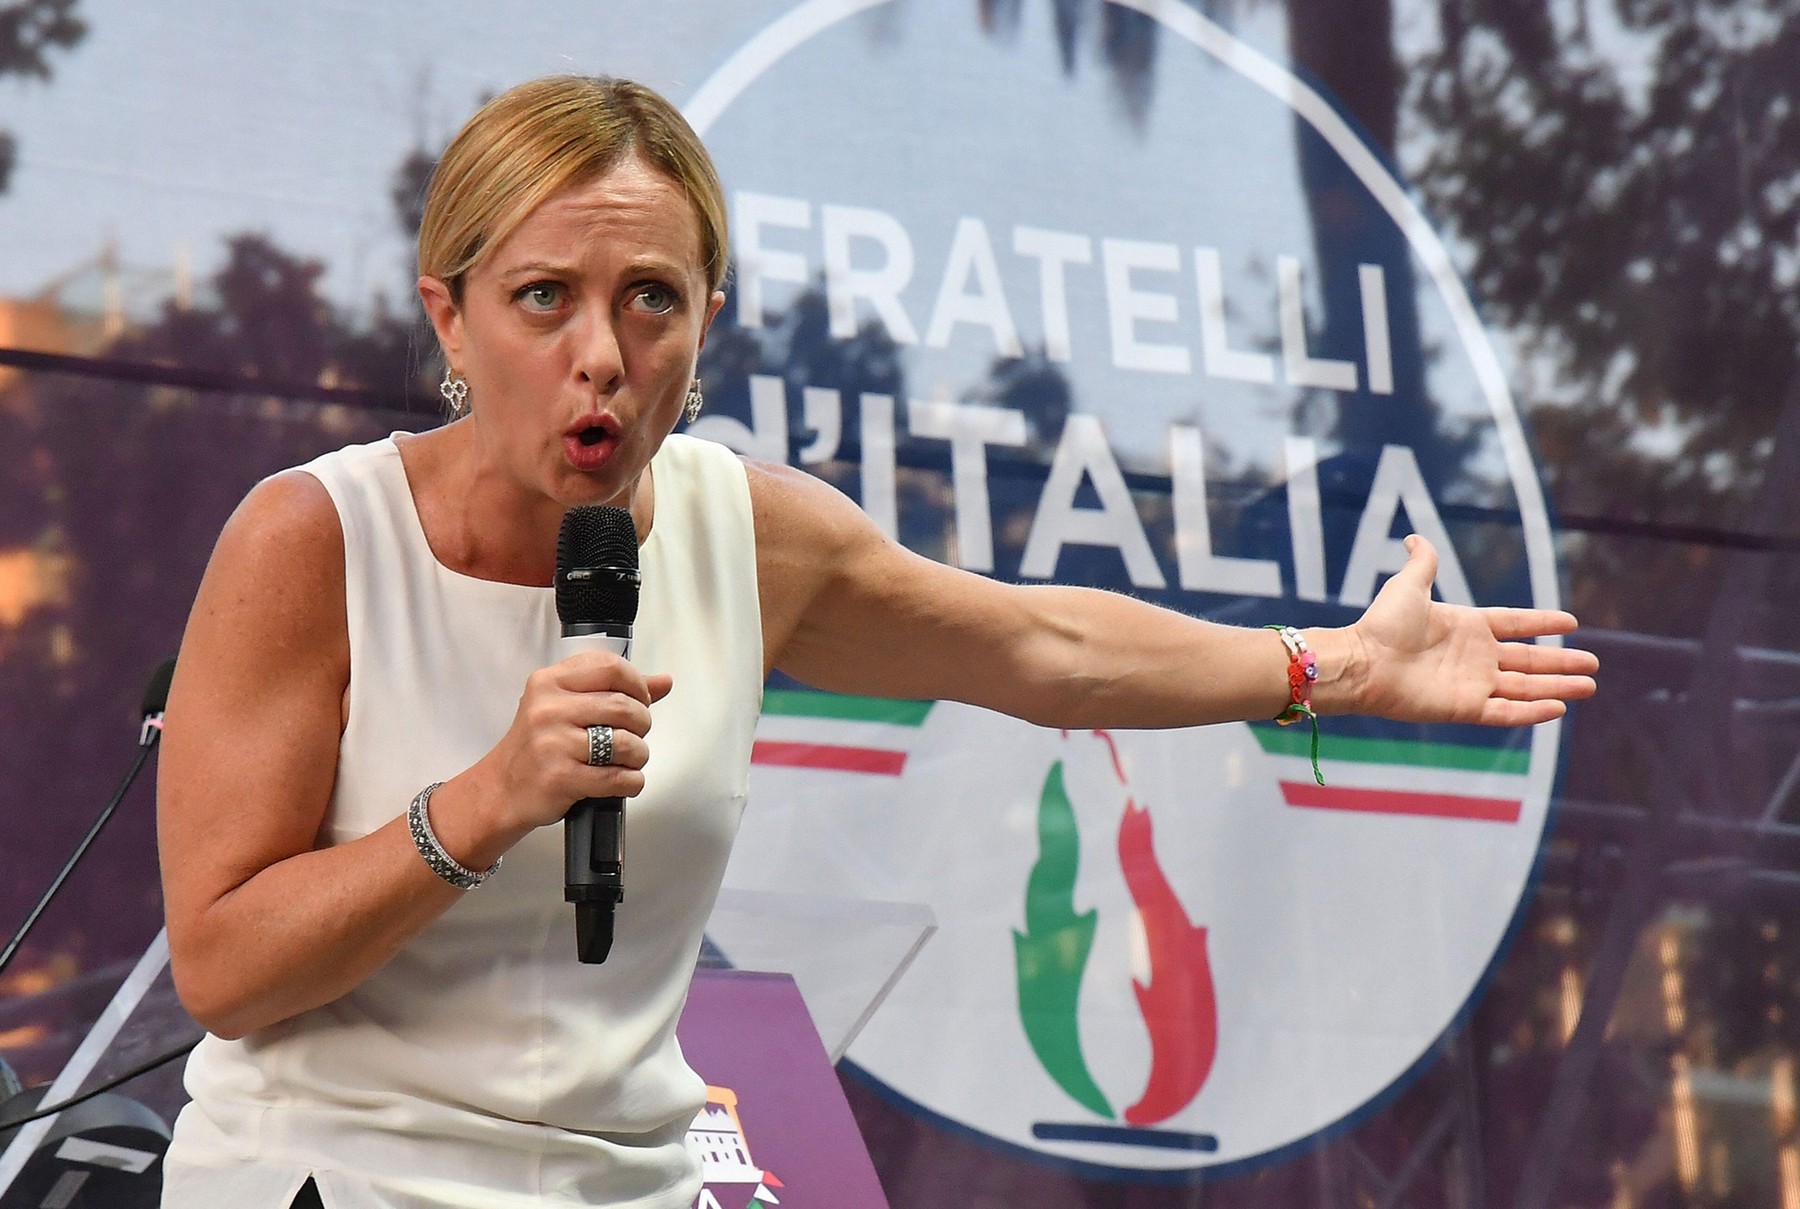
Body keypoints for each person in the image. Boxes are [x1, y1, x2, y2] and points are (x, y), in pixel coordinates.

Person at [154, 75, 1598, 1209]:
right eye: (546, 298)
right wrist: (480, 803)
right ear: (449, 319)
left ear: (707, 323)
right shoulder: (312, 541)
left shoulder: (748, 532)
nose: (603, 352)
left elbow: (1045, 648)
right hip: (332, 1181)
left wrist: (1338, 663)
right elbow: (222, 966)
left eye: (651, 298)